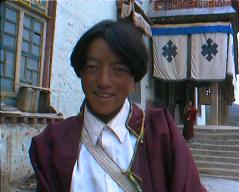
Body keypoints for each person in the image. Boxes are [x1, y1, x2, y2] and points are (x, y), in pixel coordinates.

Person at [29, 20, 206, 192]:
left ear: (133, 80)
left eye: (119, 70)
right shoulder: (53, 142)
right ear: (81, 73)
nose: (104, 82)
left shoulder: (161, 133)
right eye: (92, 67)